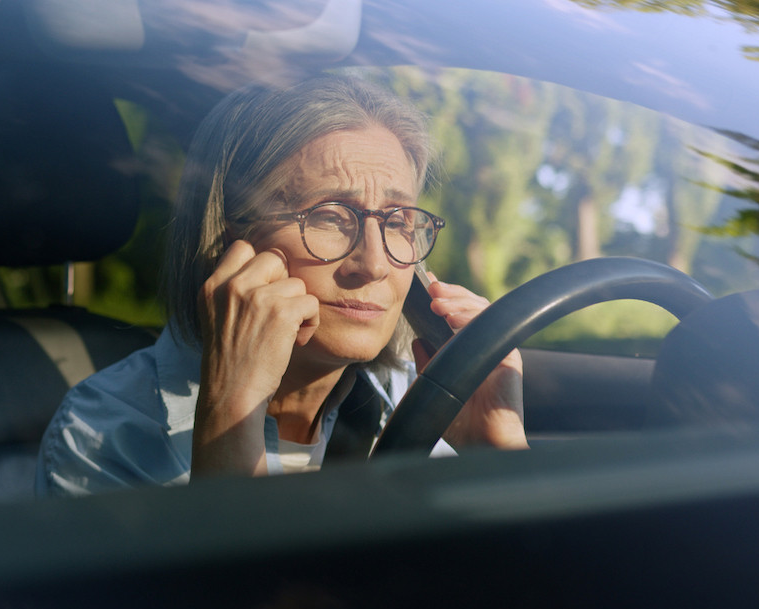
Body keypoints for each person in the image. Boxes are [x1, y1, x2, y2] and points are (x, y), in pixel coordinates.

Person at [36, 75, 526, 497]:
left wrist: (500, 450)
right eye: (331, 216)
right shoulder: (106, 432)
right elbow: (231, 607)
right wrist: (230, 409)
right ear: (232, 237)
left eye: (398, 220)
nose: (375, 264)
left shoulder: (418, 396)